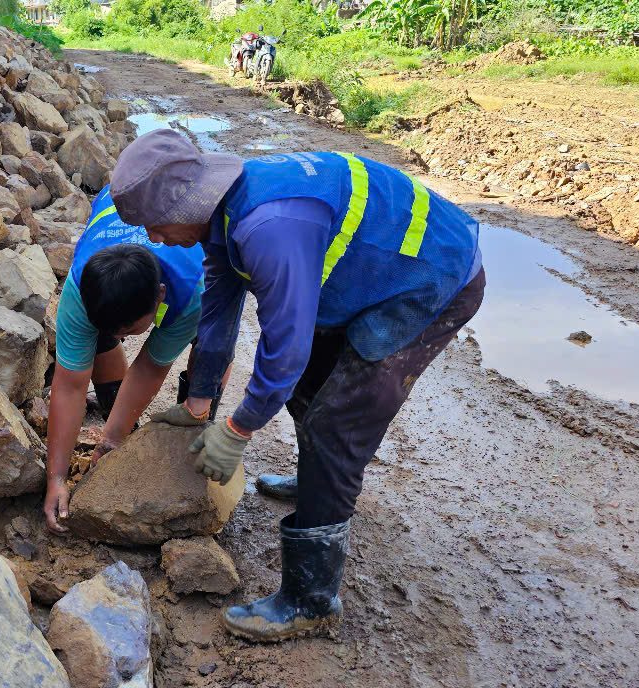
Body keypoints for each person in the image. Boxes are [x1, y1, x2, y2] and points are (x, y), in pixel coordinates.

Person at [110, 129, 486, 642]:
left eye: (154, 225)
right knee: (312, 386)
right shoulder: (224, 214)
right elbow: (220, 303)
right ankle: (317, 487)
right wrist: (199, 400)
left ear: (185, 204)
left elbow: (284, 351)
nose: (154, 239)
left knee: (336, 426)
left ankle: (310, 601)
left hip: (428, 281)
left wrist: (238, 430)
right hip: (371, 276)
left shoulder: (269, 225)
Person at [43, 185, 216, 533]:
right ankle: (127, 433)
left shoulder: (191, 293)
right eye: (113, 331)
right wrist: (56, 478)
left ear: (159, 298)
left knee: (211, 348)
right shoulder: (80, 289)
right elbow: (69, 385)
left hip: (194, 268)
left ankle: (189, 437)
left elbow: (151, 365)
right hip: (118, 210)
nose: (122, 338)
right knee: (94, 342)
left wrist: (111, 437)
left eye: (129, 330)